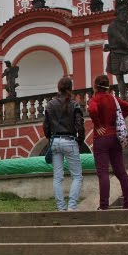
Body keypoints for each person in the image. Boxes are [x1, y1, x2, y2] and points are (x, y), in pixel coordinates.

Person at [87, 74, 128, 210]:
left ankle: (104, 205)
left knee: (103, 172)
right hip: (115, 137)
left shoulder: (95, 99)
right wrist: (118, 119)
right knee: (121, 171)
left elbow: (92, 110)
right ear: (107, 86)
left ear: (95, 86)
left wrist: (98, 124)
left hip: (101, 138)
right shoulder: (113, 99)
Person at [42, 76, 84, 211]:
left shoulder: (50, 104)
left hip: (55, 141)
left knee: (57, 177)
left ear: (58, 88)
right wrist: (80, 140)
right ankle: (72, 206)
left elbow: (46, 126)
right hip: (70, 140)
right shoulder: (74, 104)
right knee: (77, 176)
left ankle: (61, 208)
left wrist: (50, 138)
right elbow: (80, 125)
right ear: (70, 88)